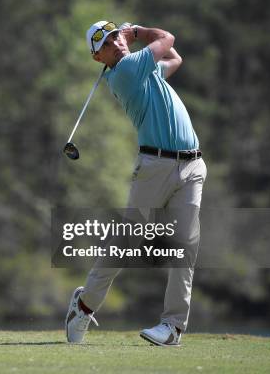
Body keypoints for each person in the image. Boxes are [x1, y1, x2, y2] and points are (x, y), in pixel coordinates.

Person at [65, 21, 207, 346]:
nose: (115, 43)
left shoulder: (144, 71)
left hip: (193, 165)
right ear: (98, 59)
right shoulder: (127, 70)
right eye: (105, 43)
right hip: (155, 167)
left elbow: (175, 59)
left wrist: (135, 38)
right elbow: (167, 38)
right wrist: (139, 31)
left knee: (186, 246)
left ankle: (172, 327)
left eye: (115, 35)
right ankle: (84, 305)